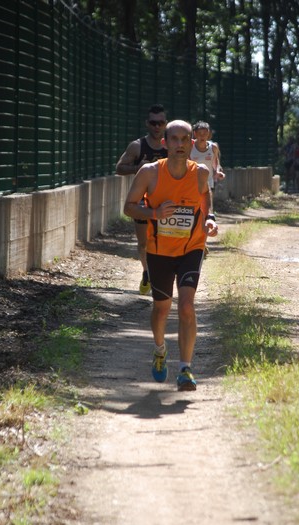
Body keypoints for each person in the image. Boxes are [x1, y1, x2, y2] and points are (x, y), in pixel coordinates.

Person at [123, 120, 218, 391]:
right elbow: (129, 207)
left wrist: (209, 218)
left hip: (192, 246)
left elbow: (205, 195)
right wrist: (154, 214)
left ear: (191, 143)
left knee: (187, 305)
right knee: (161, 308)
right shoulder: (149, 173)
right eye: (174, 139)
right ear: (165, 143)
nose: (179, 144)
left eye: (184, 139)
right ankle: (159, 349)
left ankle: (185, 369)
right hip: (158, 250)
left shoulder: (199, 172)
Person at [116, 103, 168, 294]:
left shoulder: (172, 146)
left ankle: (162, 275)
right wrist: (138, 168)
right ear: (147, 123)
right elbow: (119, 168)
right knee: (144, 242)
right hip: (142, 201)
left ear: (165, 124)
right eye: (153, 123)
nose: (157, 126)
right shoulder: (137, 146)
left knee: (165, 240)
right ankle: (147, 272)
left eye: (160, 123)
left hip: (166, 201)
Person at [190, 120, 225, 211]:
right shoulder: (190, 146)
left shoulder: (213, 147)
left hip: (208, 181)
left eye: (205, 133)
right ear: (195, 133)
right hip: (192, 182)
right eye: (200, 133)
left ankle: (208, 221)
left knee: (207, 208)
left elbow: (216, 162)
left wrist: (217, 171)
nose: (202, 136)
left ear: (208, 134)